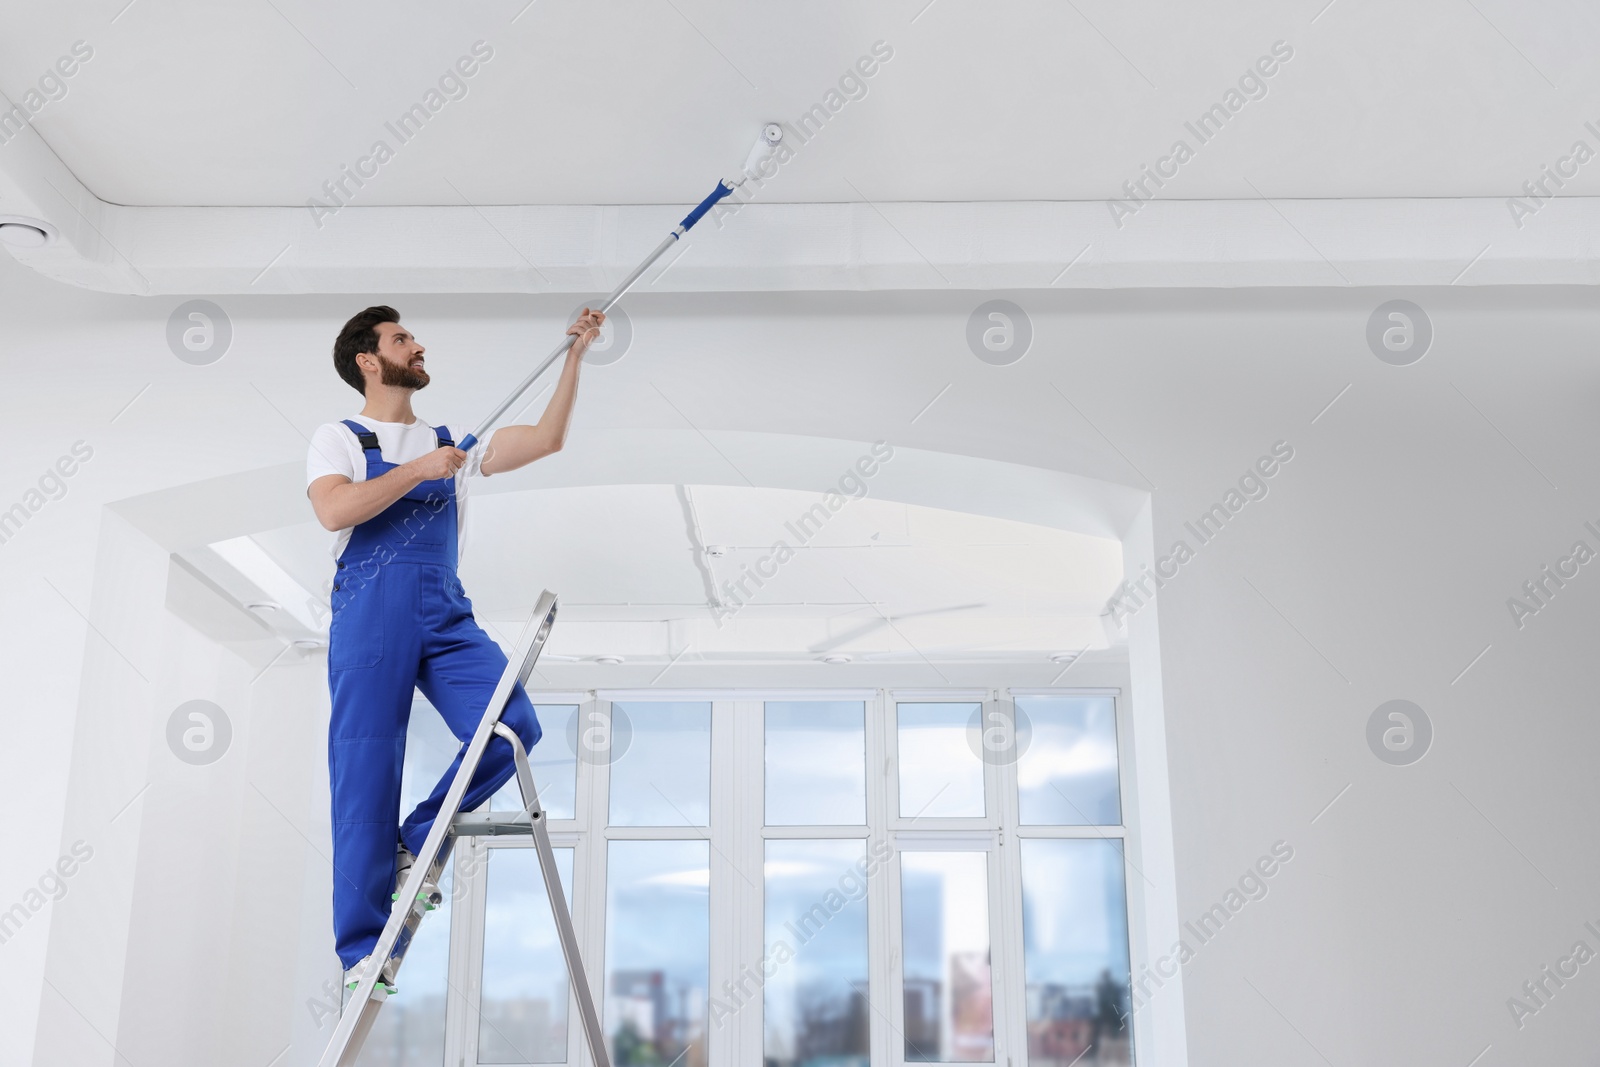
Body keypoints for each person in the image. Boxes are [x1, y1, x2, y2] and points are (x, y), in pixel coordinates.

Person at [305, 304, 603, 992]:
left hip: (443, 612)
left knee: (511, 726)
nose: (418, 344)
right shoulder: (341, 436)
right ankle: (360, 951)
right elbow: (333, 510)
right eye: (402, 339)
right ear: (369, 362)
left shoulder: (451, 442)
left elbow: (549, 439)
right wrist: (418, 471)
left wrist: (574, 358)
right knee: (363, 773)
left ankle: (415, 834)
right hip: (369, 612)